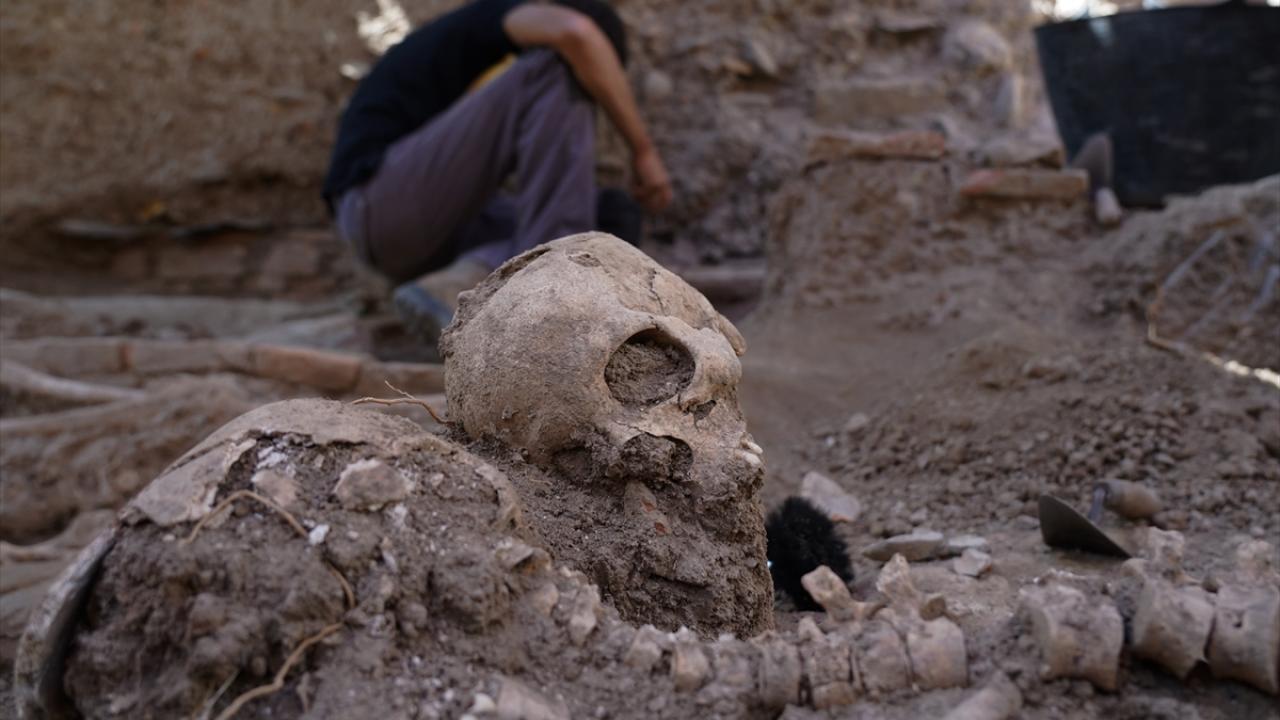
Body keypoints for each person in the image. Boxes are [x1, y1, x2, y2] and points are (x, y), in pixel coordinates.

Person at [323, 0, 672, 343]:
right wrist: (643, 151)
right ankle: (555, 292)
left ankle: (464, 282)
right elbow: (576, 32)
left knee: (608, 223)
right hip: (378, 206)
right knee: (556, 68)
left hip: (447, 237)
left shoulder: (486, 75)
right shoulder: (497, 16)